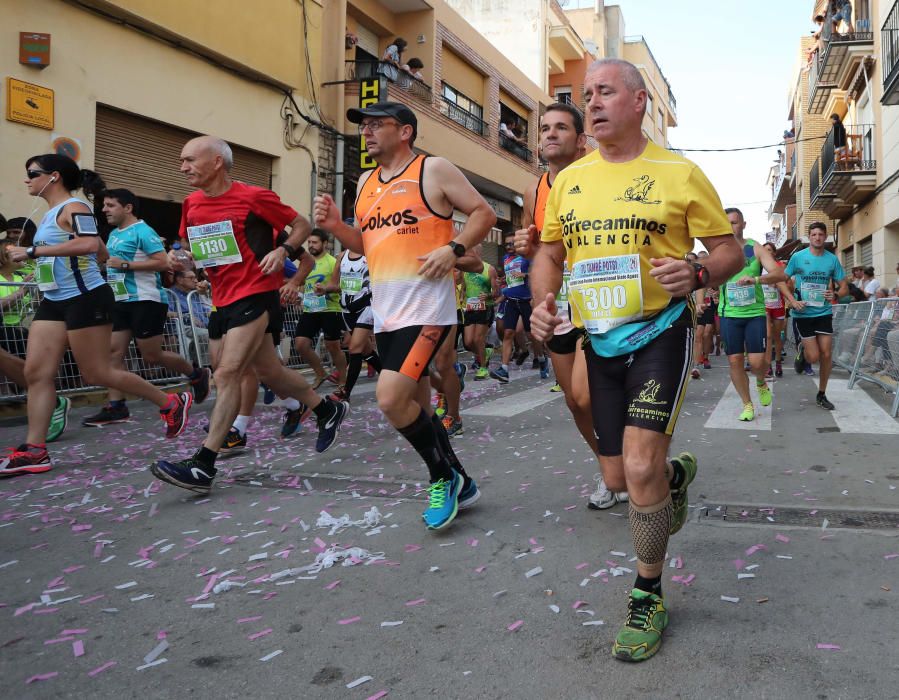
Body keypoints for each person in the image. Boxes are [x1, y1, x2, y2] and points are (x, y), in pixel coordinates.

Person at [530, 58, 743, 662]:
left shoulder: (679, 173)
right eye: (585, 94)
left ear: (639, 101)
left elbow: (730, 251)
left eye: (604, 92)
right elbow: (549, 251)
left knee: (641, 462)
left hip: (660, 331)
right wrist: (545, 302)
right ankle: (674, 480)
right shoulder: (569, 180)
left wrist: (698, 271)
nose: (591, 103)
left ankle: (647, 593)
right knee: (623, 478)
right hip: (598, 338)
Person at [314, 101, 494, 530]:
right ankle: (462, 481)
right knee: (417, 407)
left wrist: (452, 250)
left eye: (378, 125)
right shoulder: (365, 184)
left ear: (406, 131)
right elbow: (367, 244)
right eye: (364, 126)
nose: (367, 133)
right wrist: (337, 227)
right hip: (387, 311)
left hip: (428, 309)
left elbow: (483, 213)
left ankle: (441, 477)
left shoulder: (433, 170)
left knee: (391, 399)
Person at [151, 136, 348, 495]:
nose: (182, 167)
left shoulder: (253, 197)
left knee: (227, 373)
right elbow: (197, 247)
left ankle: (203, 465)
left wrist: (283, 251)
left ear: (216, 162)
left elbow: (301, 225)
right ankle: (325, 411)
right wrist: (183, 260)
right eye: (181, 161)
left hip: (255, 292)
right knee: (270, 372)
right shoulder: (191, 203)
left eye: (190, 160)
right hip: (222, 298)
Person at [2, 155, 192, 477]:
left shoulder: (74, 208)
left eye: (32, 173)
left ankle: (171, 402)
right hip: (54, 299)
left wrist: (33, 252)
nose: (27, 180)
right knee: (36, 374)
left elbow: (89, 243)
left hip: (85, 298)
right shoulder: (51, 214)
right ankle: (35, 451)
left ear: (54, 177)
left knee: (96, 373)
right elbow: (100, 250)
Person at [514, 101, 627, 509]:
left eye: (561, 127)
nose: (549, 134)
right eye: (544, 128)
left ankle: (632, 457)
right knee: (574, 400)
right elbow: (540, 249)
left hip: (598, 299)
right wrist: (526, 248)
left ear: (581, 140)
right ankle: (610, 472)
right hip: (555, 303)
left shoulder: (604, 176)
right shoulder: (535, 189)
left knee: (586, 392)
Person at [82, 189, 210, 427]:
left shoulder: (143, 230)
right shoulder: (113, 234)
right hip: (120, 300)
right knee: (113, 353)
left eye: (110, 205)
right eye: (104, 205)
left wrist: (126, 264)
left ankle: (196, 374)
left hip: (146, 299)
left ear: (127, 208)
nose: (104, 209)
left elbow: (163, 262)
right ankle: (116, 406)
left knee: (151, 355)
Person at [717, 209, 786, 422]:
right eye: (727, 223)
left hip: (755, 312)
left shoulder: (754, 248)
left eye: (735, 223)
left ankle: (760, 381)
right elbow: (704, 276)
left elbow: (779, 273)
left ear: (743, 224)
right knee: (735, 360)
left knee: (757, 363)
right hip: (729, 314)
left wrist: (755, 280)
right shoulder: (718, 251)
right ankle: (747, 404)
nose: (731, 227)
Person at [783, 222, 848, 410]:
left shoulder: (832, 260)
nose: (817, 237)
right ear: (809, 237)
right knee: (813, 357)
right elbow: (782, 280)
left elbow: (844, 286)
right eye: (814, 234)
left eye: (821, 234)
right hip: (803, 313)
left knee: (826, 354)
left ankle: (822, 394)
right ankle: (804, 351)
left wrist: (836, 294)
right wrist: (792, 300)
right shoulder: (798, 257)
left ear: (825, 237)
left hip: (823, 312)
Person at [306, 247, 382, 402]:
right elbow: (335, 284)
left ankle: (345, 392)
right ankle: (390, 376)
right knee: (366, 350)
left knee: (355, 348)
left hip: (367, 305)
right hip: (347, 309)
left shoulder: (372, 253)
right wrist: (324, 289)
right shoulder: (341, 257)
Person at [292, 229, 347, 390]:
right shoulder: (306, 262)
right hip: (310, 309)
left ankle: (343, 380)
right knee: (300, 344)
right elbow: (302, 283)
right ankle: (320, 373)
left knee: (333, 347)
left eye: (314, 242)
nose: (311, 245)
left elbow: (342, 287)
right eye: (309, 242)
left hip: (330, 309)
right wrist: (298, 295)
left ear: (325, 244)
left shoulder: (332, 262)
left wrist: (326, 289)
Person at [491, 232, 548, 382]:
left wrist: (525, 275)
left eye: (512, 244)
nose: (509, 247)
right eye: (506, 244)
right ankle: (504, 369)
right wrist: (504, 281)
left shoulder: (527, 256)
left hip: (526, 300)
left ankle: (541, 358)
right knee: (509, 333)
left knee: (531, 334)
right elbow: (511, 279)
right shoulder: (505, 259)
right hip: (511, 300)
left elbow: (538, 273)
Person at [461, 245, 499, 381]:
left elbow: (496, 291)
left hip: (485, 308)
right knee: (468, 342)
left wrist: (488, 295)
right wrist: (462, 298)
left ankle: (483, 368)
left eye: (473, 250)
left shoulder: (489, 269)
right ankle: (485, 351)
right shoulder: (464, 270)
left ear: (479, 252)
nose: (470, 253)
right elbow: (464, 289)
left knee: (478, 339)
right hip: (470, 309)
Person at [762, 242, 788, 377]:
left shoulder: (780, 267)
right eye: (764, 250)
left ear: (774, 252)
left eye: (770, 250)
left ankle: (777, 362)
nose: (767, 252)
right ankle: (768, 365)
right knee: (768, 336)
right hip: (764, 305)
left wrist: (778, 283)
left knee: (777, 336)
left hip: (778, 305)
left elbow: (788, 285)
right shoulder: (759, 266)